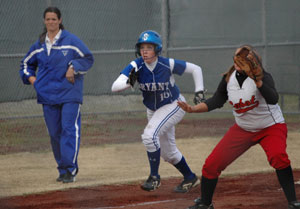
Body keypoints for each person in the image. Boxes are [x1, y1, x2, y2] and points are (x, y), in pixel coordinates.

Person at [178, 45, 300, 209]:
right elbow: (216, 101)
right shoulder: (229, 79)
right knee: (212, 164)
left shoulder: (263, 77)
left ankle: (293, 202)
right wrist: (192, 109)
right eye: (238, 58)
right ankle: (205, 203)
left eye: (244, 59)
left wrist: (258, 81)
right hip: (243, 129)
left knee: (278, 156)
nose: (239, 61)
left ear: (254, 63)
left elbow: (273, 99)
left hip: (270, 126)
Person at [111, 30, 205, 193]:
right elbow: (114, 87)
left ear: (157, 49)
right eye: (142, 47)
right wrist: (129, 82)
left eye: (149, 47)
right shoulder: (136, 65)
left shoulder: (166, 63)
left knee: (149, 136)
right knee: (169, 154)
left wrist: (199, 91)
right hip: (153, 110)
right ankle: (190, 177)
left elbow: (196, 69)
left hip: (174, 104)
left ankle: (154, 177)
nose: (145, 51)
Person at [19, 7, 94, 183]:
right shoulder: (38, 45)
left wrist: (73, 66)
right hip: (48, 96)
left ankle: (70, 169)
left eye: (54, 19)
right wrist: (33, 80)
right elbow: (25, 64)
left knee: (69, 129)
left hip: (70, 94)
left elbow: (88, 58)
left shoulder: (71, 41)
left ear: (60, 21)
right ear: (44, 21)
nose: (51, 22)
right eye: (48, 19)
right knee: (55, 133)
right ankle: (62, 169)